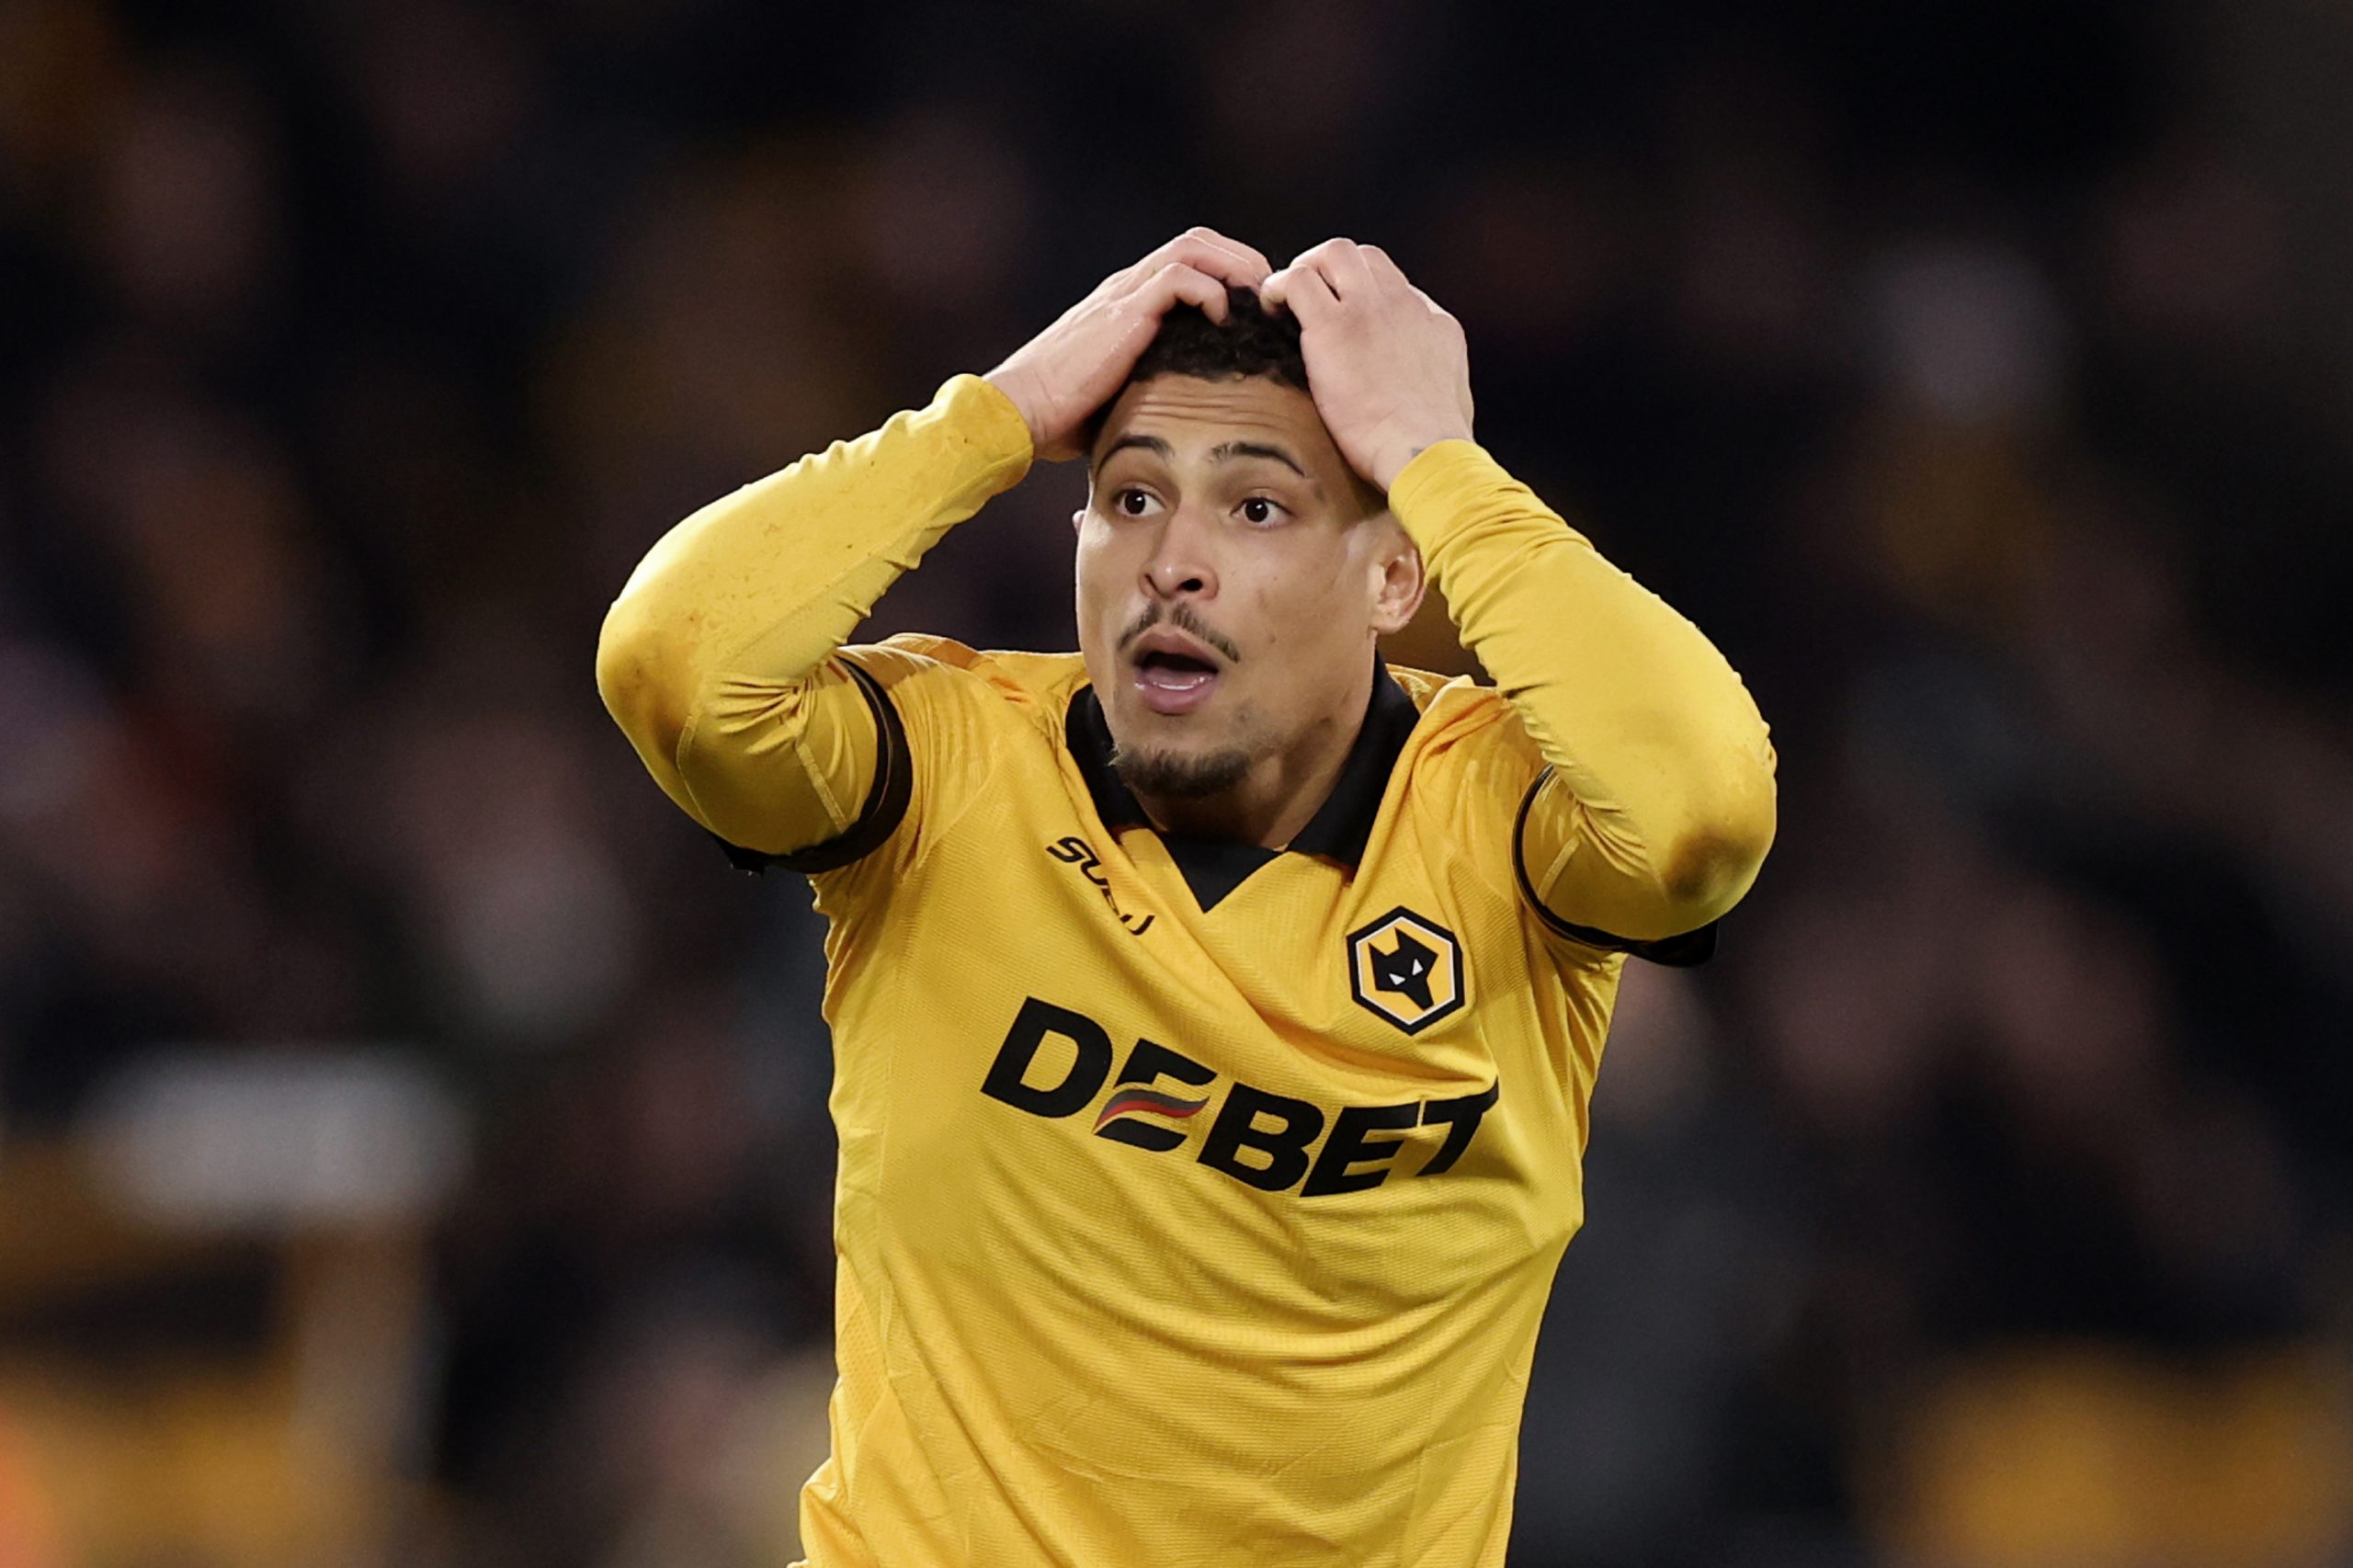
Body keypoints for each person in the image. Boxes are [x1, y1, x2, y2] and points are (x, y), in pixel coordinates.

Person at [597, 227, 1777, 1568]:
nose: (1172, 560)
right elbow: (674, 667)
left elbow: (1704, 810)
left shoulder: (1496, 823)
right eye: (1132, 497)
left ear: (1394, 574)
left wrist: (1437, 462)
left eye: (1257, 508)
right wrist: (996, 414)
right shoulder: (953, 771)